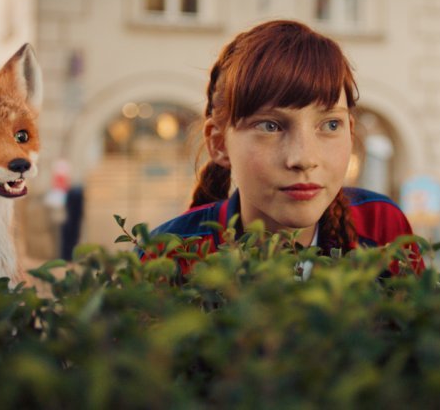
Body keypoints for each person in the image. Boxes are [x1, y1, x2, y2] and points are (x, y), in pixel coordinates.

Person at [149, 20, 423, 273]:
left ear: (350, 132)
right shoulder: (167, 256)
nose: (303, 158)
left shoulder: (381, 225)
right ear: (219, 144)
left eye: (329, 125)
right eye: (270, 126)